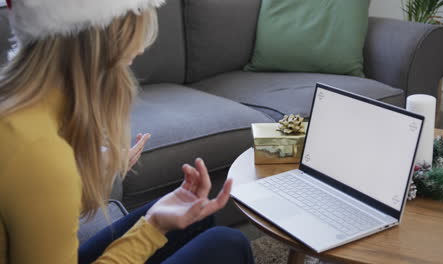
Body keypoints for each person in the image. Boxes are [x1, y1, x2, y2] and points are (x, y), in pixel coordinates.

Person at [0, 0, 254, 263]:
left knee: (193, 219)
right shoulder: (37, 151)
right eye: (136, 26)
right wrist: (153, 229)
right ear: (105, 34)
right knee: (227, 245)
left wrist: (93, 174)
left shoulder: (21, 109)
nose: (141, 47)